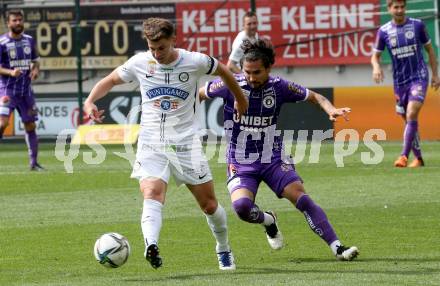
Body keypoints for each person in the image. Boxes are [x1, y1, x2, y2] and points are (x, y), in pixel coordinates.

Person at [83, 17, 248, 270]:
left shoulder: (195, 61)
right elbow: (110, 80)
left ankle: (223, 248)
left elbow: (224, 71)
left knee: (209, 205)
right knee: (152, 193)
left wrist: (240, 98)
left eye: (161, 47)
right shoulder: (140, 62)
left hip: (186, 144)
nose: (157, 54)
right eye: (152, 48)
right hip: (151, 142)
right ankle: (151, 244)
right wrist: (90, 100)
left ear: (173, 40)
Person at [200, 39, 359, 261]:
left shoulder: (280, 87)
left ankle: (338, 247)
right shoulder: (230, 85)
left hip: (273, 156)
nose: (251, 78)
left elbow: (314, 96)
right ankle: (269, 221)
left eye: (257, 72)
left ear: (268, 69)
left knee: (301, 198)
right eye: (247, 72)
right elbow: (198, 95)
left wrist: (330, 109)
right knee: (242, 208)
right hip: (240, 160)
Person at [371, 0, 440, 168]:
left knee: (411, 113)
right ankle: (419, 158)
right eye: (396, 7)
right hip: (399, 82)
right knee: (408, 120)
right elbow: (375, 56)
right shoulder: (384, 31)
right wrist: (376, 67)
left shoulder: (417, 25)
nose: (400, 10)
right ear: (389, 9)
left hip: (419, 77)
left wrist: (435, 75)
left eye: (402, 6)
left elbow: (430, 49)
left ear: (405, 8)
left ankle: (403, 156)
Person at [0, 9, 43, 171]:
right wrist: (10, 72)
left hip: (26, 91)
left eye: (20, 20)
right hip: (7, 90)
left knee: (30, 125)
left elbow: (36, 61)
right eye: (14, 20)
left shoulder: (29, 40)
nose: (18, 23)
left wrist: (35, 70)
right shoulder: (2, 43)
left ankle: (34, 163)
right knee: (2, 123)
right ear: (8, 23)